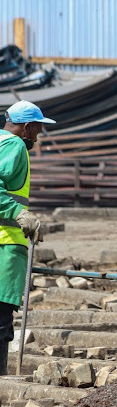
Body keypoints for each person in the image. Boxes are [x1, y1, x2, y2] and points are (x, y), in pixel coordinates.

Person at [0, 101, 53, 374]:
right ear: (27, 127)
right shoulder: (14, 145)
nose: (38, 136)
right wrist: (19, 213)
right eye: (38, 130)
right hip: (5, 245)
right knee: (0, 322)